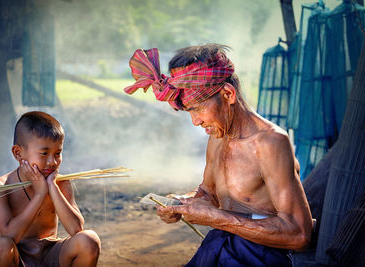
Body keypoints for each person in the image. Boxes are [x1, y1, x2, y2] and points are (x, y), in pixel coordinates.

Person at [124, 44, 313, 266]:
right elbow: (208, 191)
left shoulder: (270, 143)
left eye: (197, 108)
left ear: (227, 94)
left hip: (258, 257)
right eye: (189, 111)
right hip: (218, 247)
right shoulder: (217, 137)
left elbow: (300, 234)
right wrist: (182, 203)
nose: (195, 121)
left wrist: (217, 219)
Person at [0, 111, 101, 267]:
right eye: (44, 153)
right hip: (19, 256)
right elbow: (8, 236)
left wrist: (52, 187)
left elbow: (76, 229)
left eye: (57, 153)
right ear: (18, 153)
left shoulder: (60, 182)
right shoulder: (1, 187)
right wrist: (40, 194)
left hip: (53, 253)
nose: (52, 162)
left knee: (89, 240)